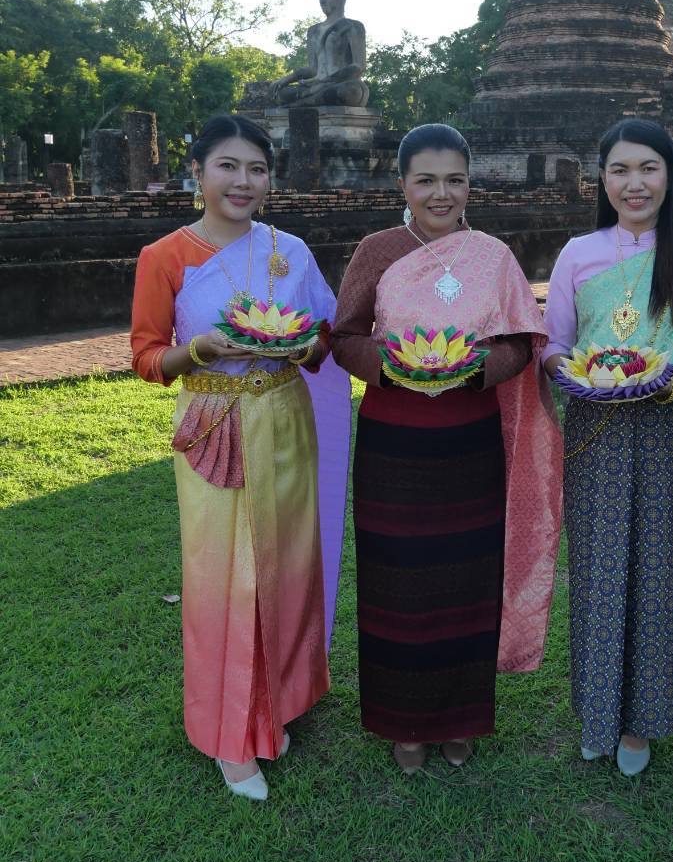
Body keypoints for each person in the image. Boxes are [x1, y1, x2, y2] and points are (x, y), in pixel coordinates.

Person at [130, 114, 351, 801]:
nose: (244, 181)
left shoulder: (291, 248)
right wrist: (203, 349)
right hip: (215, 420)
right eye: (228, 165)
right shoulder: (166, 255)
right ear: (198, 171)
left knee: (285, 564)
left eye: (257, 168)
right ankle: (230, 734)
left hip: (286, 414)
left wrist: (302, 347)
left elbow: (324, 335)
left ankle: (278, 699)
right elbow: (145, 356)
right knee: (224, 577)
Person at [330, 123, 561, 774]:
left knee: (466, 577)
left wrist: (471, 367)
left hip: (469, 441)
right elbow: (343, 335)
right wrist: (397, 364)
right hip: (394, 446)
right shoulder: (378, 249)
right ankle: (404, 722)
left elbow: (522, 340)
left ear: (469, 183)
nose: (441, 193)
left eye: (454, 179)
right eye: (426, 179)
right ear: (402, 183)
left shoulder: (492, 255)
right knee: (399, 581)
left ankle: (461, 718)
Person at [543, 118, 673, 777]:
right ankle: (598, 714)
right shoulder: (578, 252)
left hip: (668, 431)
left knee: (659, 576)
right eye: (620, 171)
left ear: (670, 175)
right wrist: (574, 374)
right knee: (600, 577)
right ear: (602, 181)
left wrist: (668, 384)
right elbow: (553, 345)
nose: (635, 184)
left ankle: (643, 723)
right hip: (596, 429)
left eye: (648, 168)